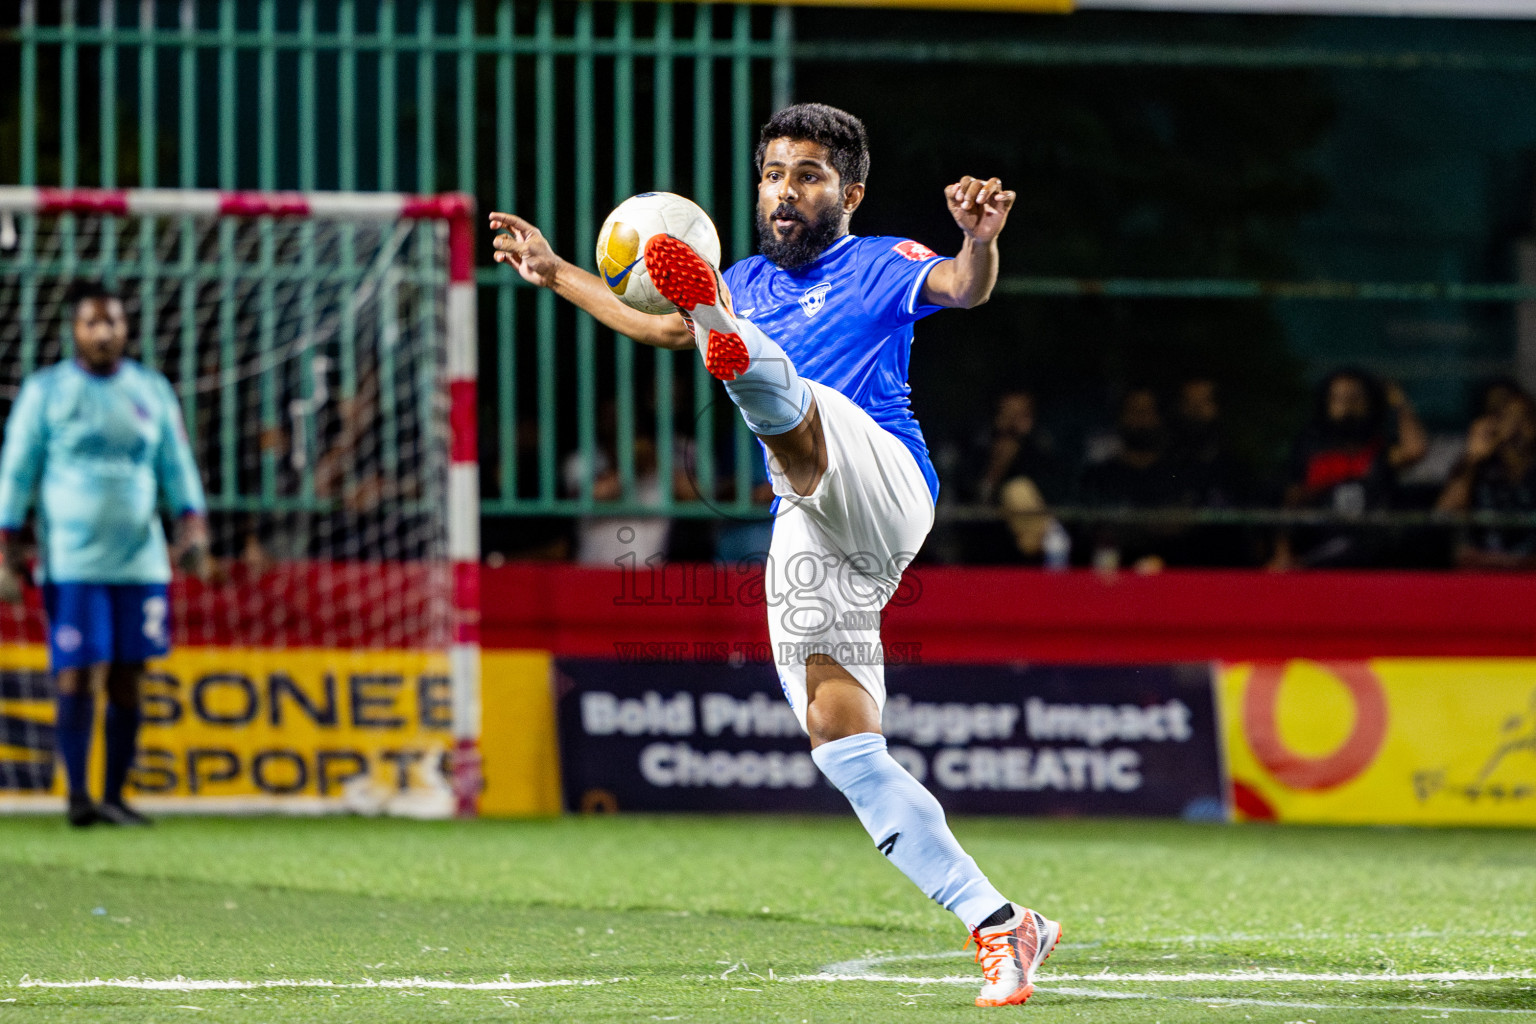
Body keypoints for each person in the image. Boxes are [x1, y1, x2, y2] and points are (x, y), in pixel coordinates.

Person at [490, 103, 1060, 1007]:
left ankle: (725, 332)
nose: (785, 193)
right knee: (842, 739)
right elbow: (651, 328)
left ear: (850, 192)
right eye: (773, 176)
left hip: (883, 478)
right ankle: (1000, 922)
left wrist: (979, 238)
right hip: (813, 526)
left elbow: (963, 286)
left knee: (778, 393)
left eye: (808, 176)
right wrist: (556, 268)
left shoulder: (880, 263)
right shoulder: (752, 279)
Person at [0, 283, 209, 827]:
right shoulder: (47, 391)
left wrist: (192, 523)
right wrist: (4, 541)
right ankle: (76, 796)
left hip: (141, 559)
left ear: (125, 329)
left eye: (112, 322)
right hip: (71, 560)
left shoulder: (150, 389)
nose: (103, 331)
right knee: (76, 673)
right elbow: (17, 470)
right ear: (75, 329)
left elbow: (176, 461)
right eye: (93, 322)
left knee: (129, 675)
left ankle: (114, 795)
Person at [1270, 368, 1426, 570]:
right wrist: (1283, 554)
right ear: (1326, 403)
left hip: (1375, 552)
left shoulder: (1378, 448)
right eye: (1338, 397)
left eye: (1355, 396)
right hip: (1322, 548)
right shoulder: (1309, 447)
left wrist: (1399, 402)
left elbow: (1415, 450)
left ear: (1369, 403)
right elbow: (1291, 502)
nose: (1347, 404)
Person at [1077, 387, 1183, 572]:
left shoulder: (1177, 474)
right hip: (1109, 575)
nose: (1140, 419)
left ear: (1159, 418)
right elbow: (1091, 529)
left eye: (1147, 411)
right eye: (1134, 411)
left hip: (1168, 576)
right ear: (1120, 417)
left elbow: (1178, 526)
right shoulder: (1098, 475)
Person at [1436, 389, 1536, 569]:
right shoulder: (1477, 468)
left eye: (1525, 417)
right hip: (1484, 571)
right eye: (1509, 418)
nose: (1518, 427)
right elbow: (1444, 514)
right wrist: (1472, 459)